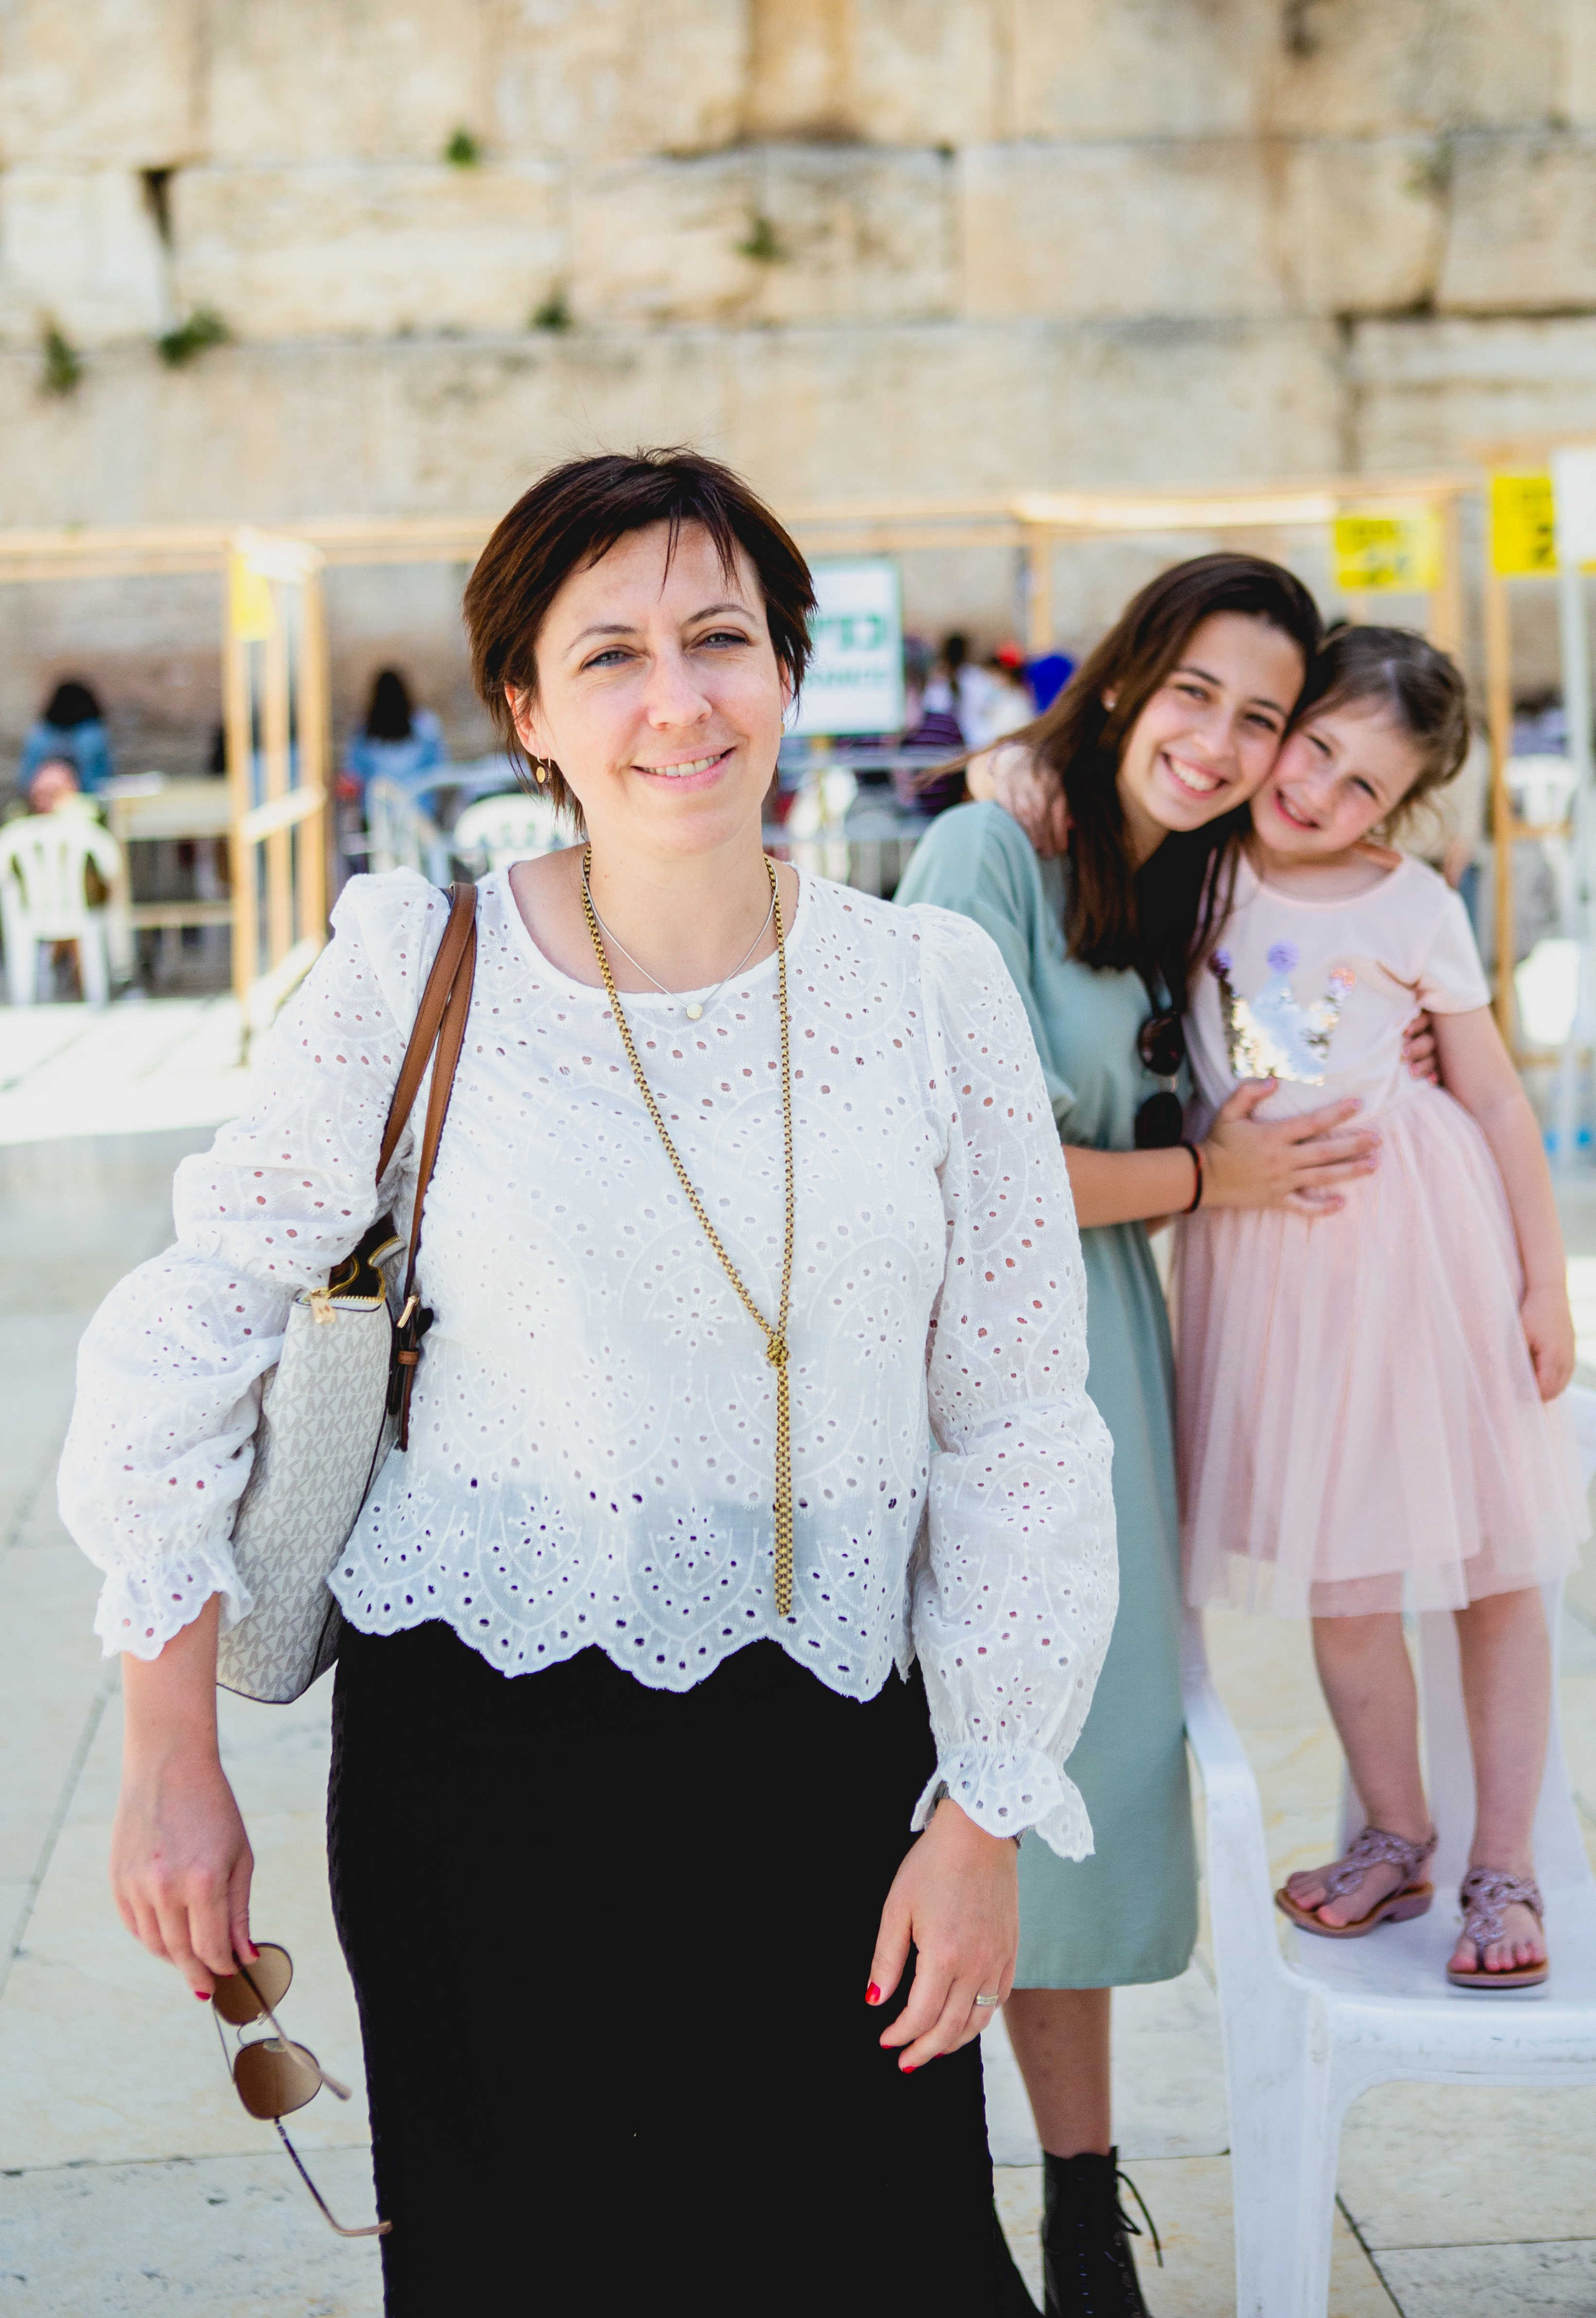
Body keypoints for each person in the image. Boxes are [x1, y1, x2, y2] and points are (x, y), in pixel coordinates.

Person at [57, 449, 1118, 2316]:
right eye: (610, 653)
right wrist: (169, 1756)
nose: (677, 698)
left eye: (720, 639)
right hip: (483, 1778)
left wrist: (983, 1817)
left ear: (791, 670)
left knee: (887, 2262)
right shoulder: (418, 968)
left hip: (836, 1762)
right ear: (531, 710)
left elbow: (1019, 1425)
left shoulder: (929, 988)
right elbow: (192, 1320)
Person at [895, 553, 1397, 2317]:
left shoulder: (1188, 877)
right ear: (1122, 680)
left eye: (1259, 718)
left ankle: (1084, 2211)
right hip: (969, 1373)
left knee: (1078, 1780)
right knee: (956, 1778)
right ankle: (933, 2210)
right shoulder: (989, 855)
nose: (1218, 740)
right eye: (1194, 691)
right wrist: (1210, 1173)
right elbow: (975, 1172)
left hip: (1111, 1362)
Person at [1178, 626, 1587, 1989]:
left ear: (1398, 809)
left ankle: (1503, 1861)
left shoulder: (1413, 903)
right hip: (1282, 1267)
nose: (1320, 794)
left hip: (1425, 1248)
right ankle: (1393, 1831)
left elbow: (1489, 1095)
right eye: (1314, 752)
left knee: (1491, 1563)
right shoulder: (1200, 866)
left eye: (1363, 785)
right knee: (1341, 1573)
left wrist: (1541, 1282)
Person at [341, 667, 446, 801]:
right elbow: (439, 770)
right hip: (419, 809)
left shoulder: (363, 732)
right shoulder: (427, 726)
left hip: (378, 811)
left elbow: (354, 775)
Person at [20, 677, 113, 794]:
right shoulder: (93, 735)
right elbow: (100, 780)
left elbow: (26, 778)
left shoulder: (40, 735)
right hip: (85, 801)